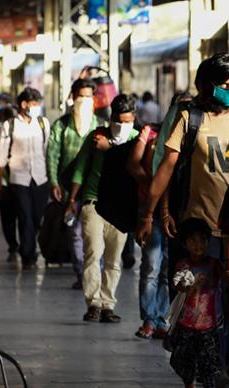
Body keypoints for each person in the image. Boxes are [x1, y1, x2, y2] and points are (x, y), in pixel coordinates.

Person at [136, 53, 229, 381]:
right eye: (226, 84)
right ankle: (206, 363)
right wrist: (153, 213)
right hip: (200, 230)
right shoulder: (189, 118)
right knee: (201, 299)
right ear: (210, 85)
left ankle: (228, 359)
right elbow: (168, 168)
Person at [66, 94, 139, 323]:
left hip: (121, 207)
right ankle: (94, 303)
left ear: (134, 119)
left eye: (127, 121)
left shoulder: (138, 140)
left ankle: (108, 303)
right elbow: (80, 169)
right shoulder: (95, 137)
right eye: (118, 121)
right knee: (92, 254)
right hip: (93, 202)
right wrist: (72, 199)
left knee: (113, 259)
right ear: (110, 120)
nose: (122, 126)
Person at [47, 78, 101, 288]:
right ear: (73, 97)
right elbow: (52, 155)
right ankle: (83, 276)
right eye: (81, 96)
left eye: (88, 96)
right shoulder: (61, 125)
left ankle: (91, 275)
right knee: (76, 234)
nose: (84, 100)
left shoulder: (99, 126)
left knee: (93, 236)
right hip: (68, 189)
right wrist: (53, 182)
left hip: (94, 190)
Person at [128, 104, 173, 339]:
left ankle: (162, 319)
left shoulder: (191, 136)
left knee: (167, 269)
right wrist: (152, 184)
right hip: (149, 210)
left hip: (176, 211)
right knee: (151, 267)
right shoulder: (151, 133)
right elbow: (133, 162)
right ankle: (149, 318)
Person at [0, 87, 50, 270]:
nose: (37, 107)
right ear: (24, 104)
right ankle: (28, 255)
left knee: (36, 217)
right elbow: (1, 156)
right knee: (25, 216)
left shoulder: (43, 124)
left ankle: (29, 247)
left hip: (40, 178)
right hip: (19, 178)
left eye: (38, 104)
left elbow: (46, 150)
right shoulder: (9, 126)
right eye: (34, 104)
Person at [169, 218, 226, 388]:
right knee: (185, 363)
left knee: (208, 365)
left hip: (209, 325)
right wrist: (192, 286)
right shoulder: (183, 265)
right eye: (193, 240)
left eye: (202, 240)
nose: (198, 244)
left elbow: (226, 279)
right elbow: (178, 286)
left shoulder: (214, 264)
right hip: (186, 324)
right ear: (185, 244)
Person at [0, 95, 21, 261]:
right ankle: (13, 245)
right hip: (5, 182)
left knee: (18, 216)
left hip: (20, 181)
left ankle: (19, 245)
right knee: (8, 218)